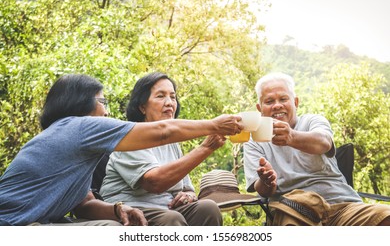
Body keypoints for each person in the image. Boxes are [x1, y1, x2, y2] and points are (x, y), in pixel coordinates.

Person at [0, 74, 243, 226]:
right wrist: (213, 125)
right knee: (111, 230)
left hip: (38, 222)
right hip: (14, 224)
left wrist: (117, 209)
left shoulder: (73, 141)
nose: (106, 111)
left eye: (173, 96)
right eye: (102, 102)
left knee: (204, 208)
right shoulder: (79, 126)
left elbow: (83, 203)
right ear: (78, 103)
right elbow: (163, 132)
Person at [243, 72, 390, 226]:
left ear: (296, 102)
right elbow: (261, 190)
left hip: (343, 207)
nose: (277, 105)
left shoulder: (312, 121)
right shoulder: (254, 140)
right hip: (293, 211)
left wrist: (291, 137)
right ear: (260, 108)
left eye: (283, 99)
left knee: (385, 216)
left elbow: (324, 143)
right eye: (269, 101)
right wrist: (266, 182)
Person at [99, 72, 224, 226]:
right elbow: (155, 182)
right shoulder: (130, 136)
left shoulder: (173, 142)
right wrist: (206, 147)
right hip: (131, 207)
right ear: (142, 107)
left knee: (208, 208)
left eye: (173, 97)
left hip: (167, 208)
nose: (169, 102)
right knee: (171, 219)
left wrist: (188, 195)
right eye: (160, 96)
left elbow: (187, 188)